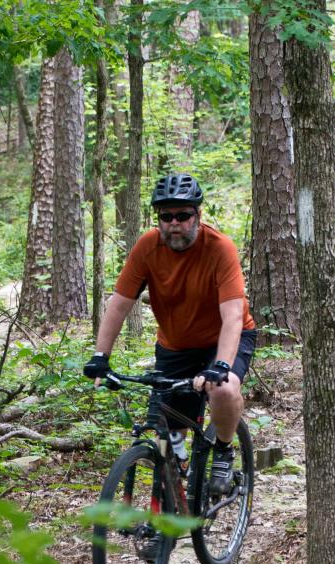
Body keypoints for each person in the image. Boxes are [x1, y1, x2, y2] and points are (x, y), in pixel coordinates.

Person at [84, 173, 257, 496]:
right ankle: (165, 515)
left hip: (224, 338)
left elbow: (232, 315)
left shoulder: (220, 248)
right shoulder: (147, 248)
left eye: (182, 215)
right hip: (175, 345)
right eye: (166, 217)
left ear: (197, 216)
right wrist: (100, 356)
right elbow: (119, 305)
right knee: (168, 431)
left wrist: (220, 365)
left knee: (223, 388)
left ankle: (222, 450)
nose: (174, 224)